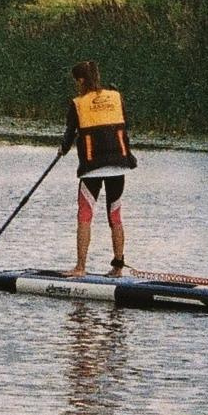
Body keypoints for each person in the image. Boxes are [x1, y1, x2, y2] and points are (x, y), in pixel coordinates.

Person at [63, 58, 136, 275]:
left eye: (77, 81)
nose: (77, 85)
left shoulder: (77, 103)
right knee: (115, 216)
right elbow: (125, 123)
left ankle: (80, 268)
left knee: (85, 215)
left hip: (93, 167)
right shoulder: (116, 97)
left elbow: (69, 135)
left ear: (82, 80)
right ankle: (118, 268)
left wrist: (63, 149)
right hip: (119, 166)